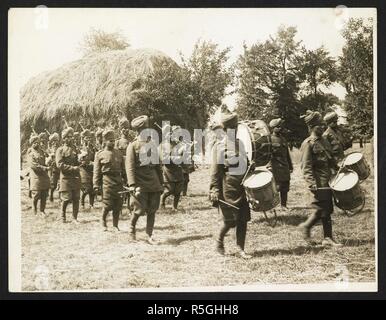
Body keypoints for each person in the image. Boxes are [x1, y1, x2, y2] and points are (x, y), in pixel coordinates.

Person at [209, 109, 252, 259]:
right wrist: (214, 189)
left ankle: (241, 248)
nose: (234, 131)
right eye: (232, 129)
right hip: (228, 188)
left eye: (236, 128)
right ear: (226, 129)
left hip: (242, 186)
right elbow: (215, 171)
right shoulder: (219, 146)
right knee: (229, 221)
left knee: (243, 219)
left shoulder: (240, 144)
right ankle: (219, 241)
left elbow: (246, 164)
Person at [298, 110, 342, 247]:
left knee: (326, 208)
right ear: (311, 127)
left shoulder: (324, 140)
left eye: (322, 125)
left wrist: (338, 167)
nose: (322, 127)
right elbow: (306, 166)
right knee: (323, 208)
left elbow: (330, 158)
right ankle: (315, 231)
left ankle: (323, 235)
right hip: (318, 182)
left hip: (327, 179)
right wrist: (311, 183)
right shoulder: (308, 143)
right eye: (318, 126)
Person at [126, 115, 164, 244]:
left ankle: (149, 235)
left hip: (153, 181)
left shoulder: (152, 145)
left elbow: (158, 166)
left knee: (152, 209)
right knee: (138, 209)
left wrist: (161, 183)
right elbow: (130, 167)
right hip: (140, 182)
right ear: (138, 131)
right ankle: (132, 230)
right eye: (145, 129)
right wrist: (132, 184)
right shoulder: (132, 146)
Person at [93, 129, 125, 231]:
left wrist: (127, 180)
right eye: (110, 140)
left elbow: (123, 170)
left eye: (113, 140)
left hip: (118, 181)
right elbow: (97, 171)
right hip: (107, 181)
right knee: (107, 204)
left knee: (117, 204)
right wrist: (96, 185)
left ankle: (115, 225)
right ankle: (103, 221)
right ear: (105, 141)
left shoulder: (119, 153)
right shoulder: (100, 154)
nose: (112, 142)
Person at [56, 127, 81, 223]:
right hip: (66, 178)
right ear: (64, 138)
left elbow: (78, 161)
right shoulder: (60, 150)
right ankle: (62, 216)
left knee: (76, 198)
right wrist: (72, 168)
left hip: (76, 177)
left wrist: (81, 159)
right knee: (66, 198)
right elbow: (59, 164)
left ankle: (74, 218)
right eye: (68, 137)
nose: (70, 139)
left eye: (71, 137)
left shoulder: (75, 148)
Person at [267, 118, 293, 211]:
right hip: (275, 167)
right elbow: (268, 155)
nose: (280, 128)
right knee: (275, 188)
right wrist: (269, 166)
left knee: (285, 187)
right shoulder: (269, 139)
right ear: (272, 128)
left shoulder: (283, 139)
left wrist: (290, 166)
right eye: (277, 127)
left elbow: (287, 154)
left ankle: (283, 205)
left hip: (284, 167)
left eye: (280, 126)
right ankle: (271, 207)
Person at [160, 126, 185, 211]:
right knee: (169, 190)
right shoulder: (163, 146)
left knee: (178, 190)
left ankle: (175, 207)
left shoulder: (177, 143)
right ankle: (162, 203)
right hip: (168, 171)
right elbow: (164, 159)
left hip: (177, 170)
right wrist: (174, 158)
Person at [27, 135, 50, 216]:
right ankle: (34, 209)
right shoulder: (31, 153)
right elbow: (33, 165)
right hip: (36, 177)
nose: (36, 144)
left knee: (44, 194)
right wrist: (44, 168)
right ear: (31, 144)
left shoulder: (42, 151)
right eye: (34, 143)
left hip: (44, 177)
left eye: (37, 142)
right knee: (36, 194)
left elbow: (47, 158)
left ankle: (42, 211)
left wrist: (49, 159)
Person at [47, 132, 60, 202]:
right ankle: (51, 195)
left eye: (56, 140)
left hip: (60, 167)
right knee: (53, 184)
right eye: (54, 141)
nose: (55, 142)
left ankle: (62, 198)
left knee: (62, 183)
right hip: (54, 168)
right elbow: (47, 158)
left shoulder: (60, 147)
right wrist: (51, 156)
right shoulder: (49, 149)